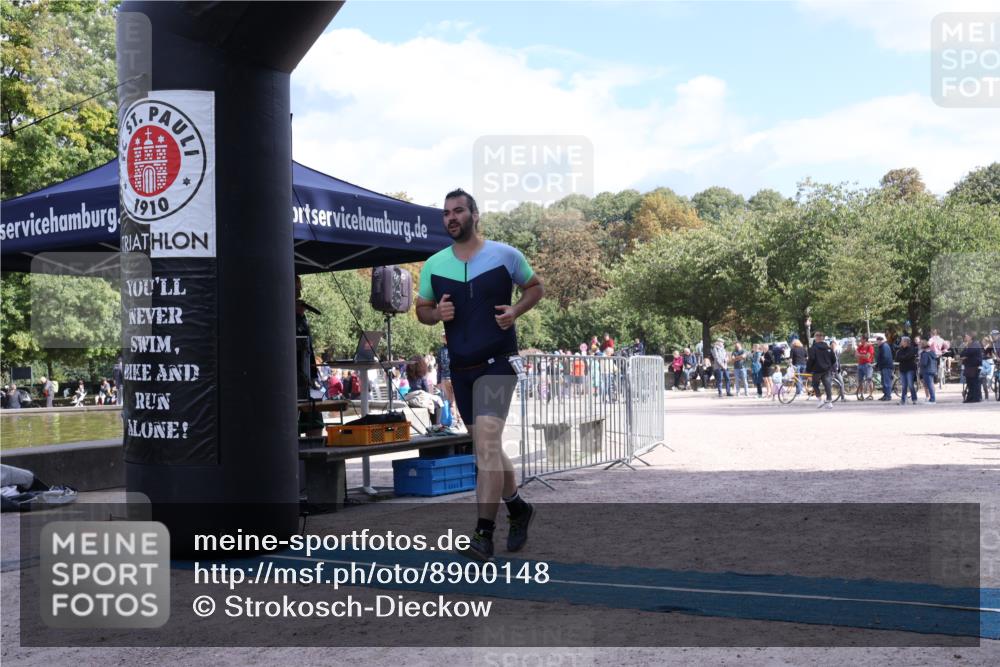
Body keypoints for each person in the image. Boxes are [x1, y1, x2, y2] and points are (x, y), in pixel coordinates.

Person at [415, 188, 543, 562]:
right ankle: (518, 508)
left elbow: (535, 287)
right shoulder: (434, 265)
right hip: (462, 369)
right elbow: (421, 309)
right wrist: (436, 314)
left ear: (474, 214)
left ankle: (482, 533)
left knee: (484, 446)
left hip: (498, 364)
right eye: (446, 214)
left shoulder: (505, 255)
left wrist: (515, 311)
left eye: (458, 211)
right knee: (488, 446)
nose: (451, 218)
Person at [295, 275, 324, 437]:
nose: (299, 293)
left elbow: (306, 343)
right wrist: (297, 316)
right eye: (296, 288)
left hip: (307, 373)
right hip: (292, 375)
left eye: (300, 288)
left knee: (315, 420)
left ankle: (316, 457)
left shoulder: (300, 316)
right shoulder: (280, 311)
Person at [806, 331, 836, 409]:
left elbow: (811, 359)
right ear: (823, 338)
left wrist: (808, 370)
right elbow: (834, 359)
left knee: (815, 385)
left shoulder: (813, 348)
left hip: (816, 370)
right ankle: (829, 402)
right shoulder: (828, 348)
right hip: (827, 370)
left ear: (816, 338)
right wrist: (829, 365)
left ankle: (820, 400)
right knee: (827, 385)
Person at [959, 333, 983, 403]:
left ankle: (975, 397)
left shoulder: (975, 344)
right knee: (970, 382)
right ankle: (971, 397)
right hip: (969, 366)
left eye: (966, 336)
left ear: (970, 337)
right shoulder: (969, 345)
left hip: (974, 366)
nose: (965, 337)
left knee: (974, 382)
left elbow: (968, 353)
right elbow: (962, 354)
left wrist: (965, 355)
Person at [895, 336, 918, 405]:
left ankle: (914, 399)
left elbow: (908, 356)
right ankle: (903, 400)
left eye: (902, 341)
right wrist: (904, 357)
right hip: (902, 369)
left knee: (911, 385)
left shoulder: (911, 349)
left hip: (910, 369)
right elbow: (897, 358)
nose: (901, 342)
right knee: (904, 386)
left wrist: (903, 358)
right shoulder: (900, 350)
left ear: (906, 342)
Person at [875, 334, 895, 401]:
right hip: (884, 367)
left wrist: (879, 364)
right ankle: (885, 395)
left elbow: (885, 357)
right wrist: (878, 365)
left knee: (887, 382)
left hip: (886, 367)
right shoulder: (883, 346)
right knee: (884, 382)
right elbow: (880, 358)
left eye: (877, 341)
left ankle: (888, 396)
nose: (876, 343)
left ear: (880, 341)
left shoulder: (884, 347)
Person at [855, 335, 875, 401]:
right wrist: (862, 356)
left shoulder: (870, 347)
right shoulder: (860, 346)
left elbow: (867, 357)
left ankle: (871, 394)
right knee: (860, 381)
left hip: (867, 365)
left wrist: (859, 355)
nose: (860, 340)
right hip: (860, 365)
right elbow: (856, 355)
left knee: (869, 380)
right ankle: (861, 394)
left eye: (861, 339)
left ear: (864, 339)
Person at [919, 340, 938, 404]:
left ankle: (932, 399)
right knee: (931, 385)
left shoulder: (925, 353)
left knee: (929, 385)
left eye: (920, 344)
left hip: (926, 370)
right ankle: (932, 398)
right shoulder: (932, 352)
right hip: (932, 370)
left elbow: (924, 363)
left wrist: (919, 363)